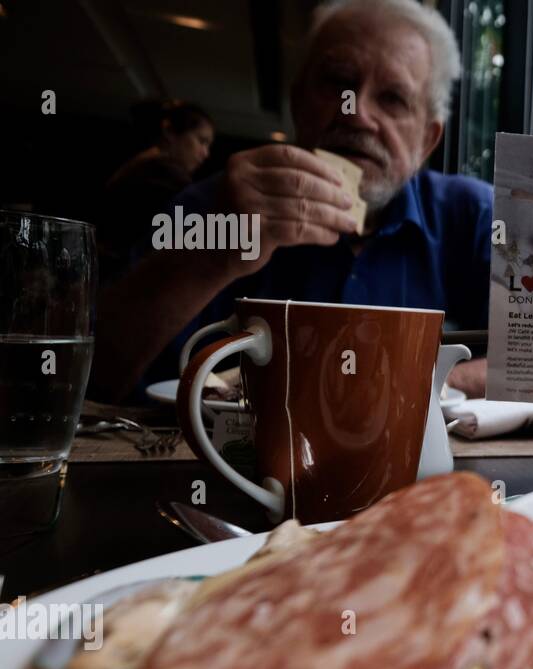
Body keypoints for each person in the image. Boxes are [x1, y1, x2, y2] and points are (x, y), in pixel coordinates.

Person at [91, 0, 491, 402]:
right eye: (338, 81)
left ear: (426, 140)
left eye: (392, 98)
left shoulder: (472, 217)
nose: (356, 114)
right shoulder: (219, 202)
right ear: (297, 101)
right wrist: (209, 257)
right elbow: (97, 374)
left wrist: (431, 382)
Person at [98, 100, 214, 284]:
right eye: (202, 141)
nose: (205, 153)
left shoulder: (143, 163)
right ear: (169, 131)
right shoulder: (161, 170)